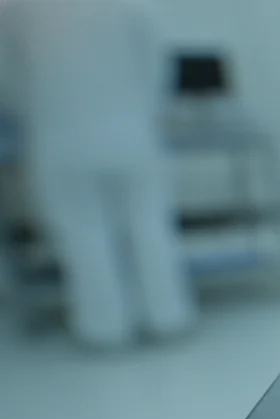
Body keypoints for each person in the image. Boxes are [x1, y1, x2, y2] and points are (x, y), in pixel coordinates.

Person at [0, 0, 195, 347]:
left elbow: (11, 80)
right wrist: (147, 110)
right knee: (149, 225)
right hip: (132, 133)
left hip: (61, 137)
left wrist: (33, 112)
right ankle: (168, 316)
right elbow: (158, 64)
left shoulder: (16, 8)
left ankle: (106, 328)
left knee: (83, 235)